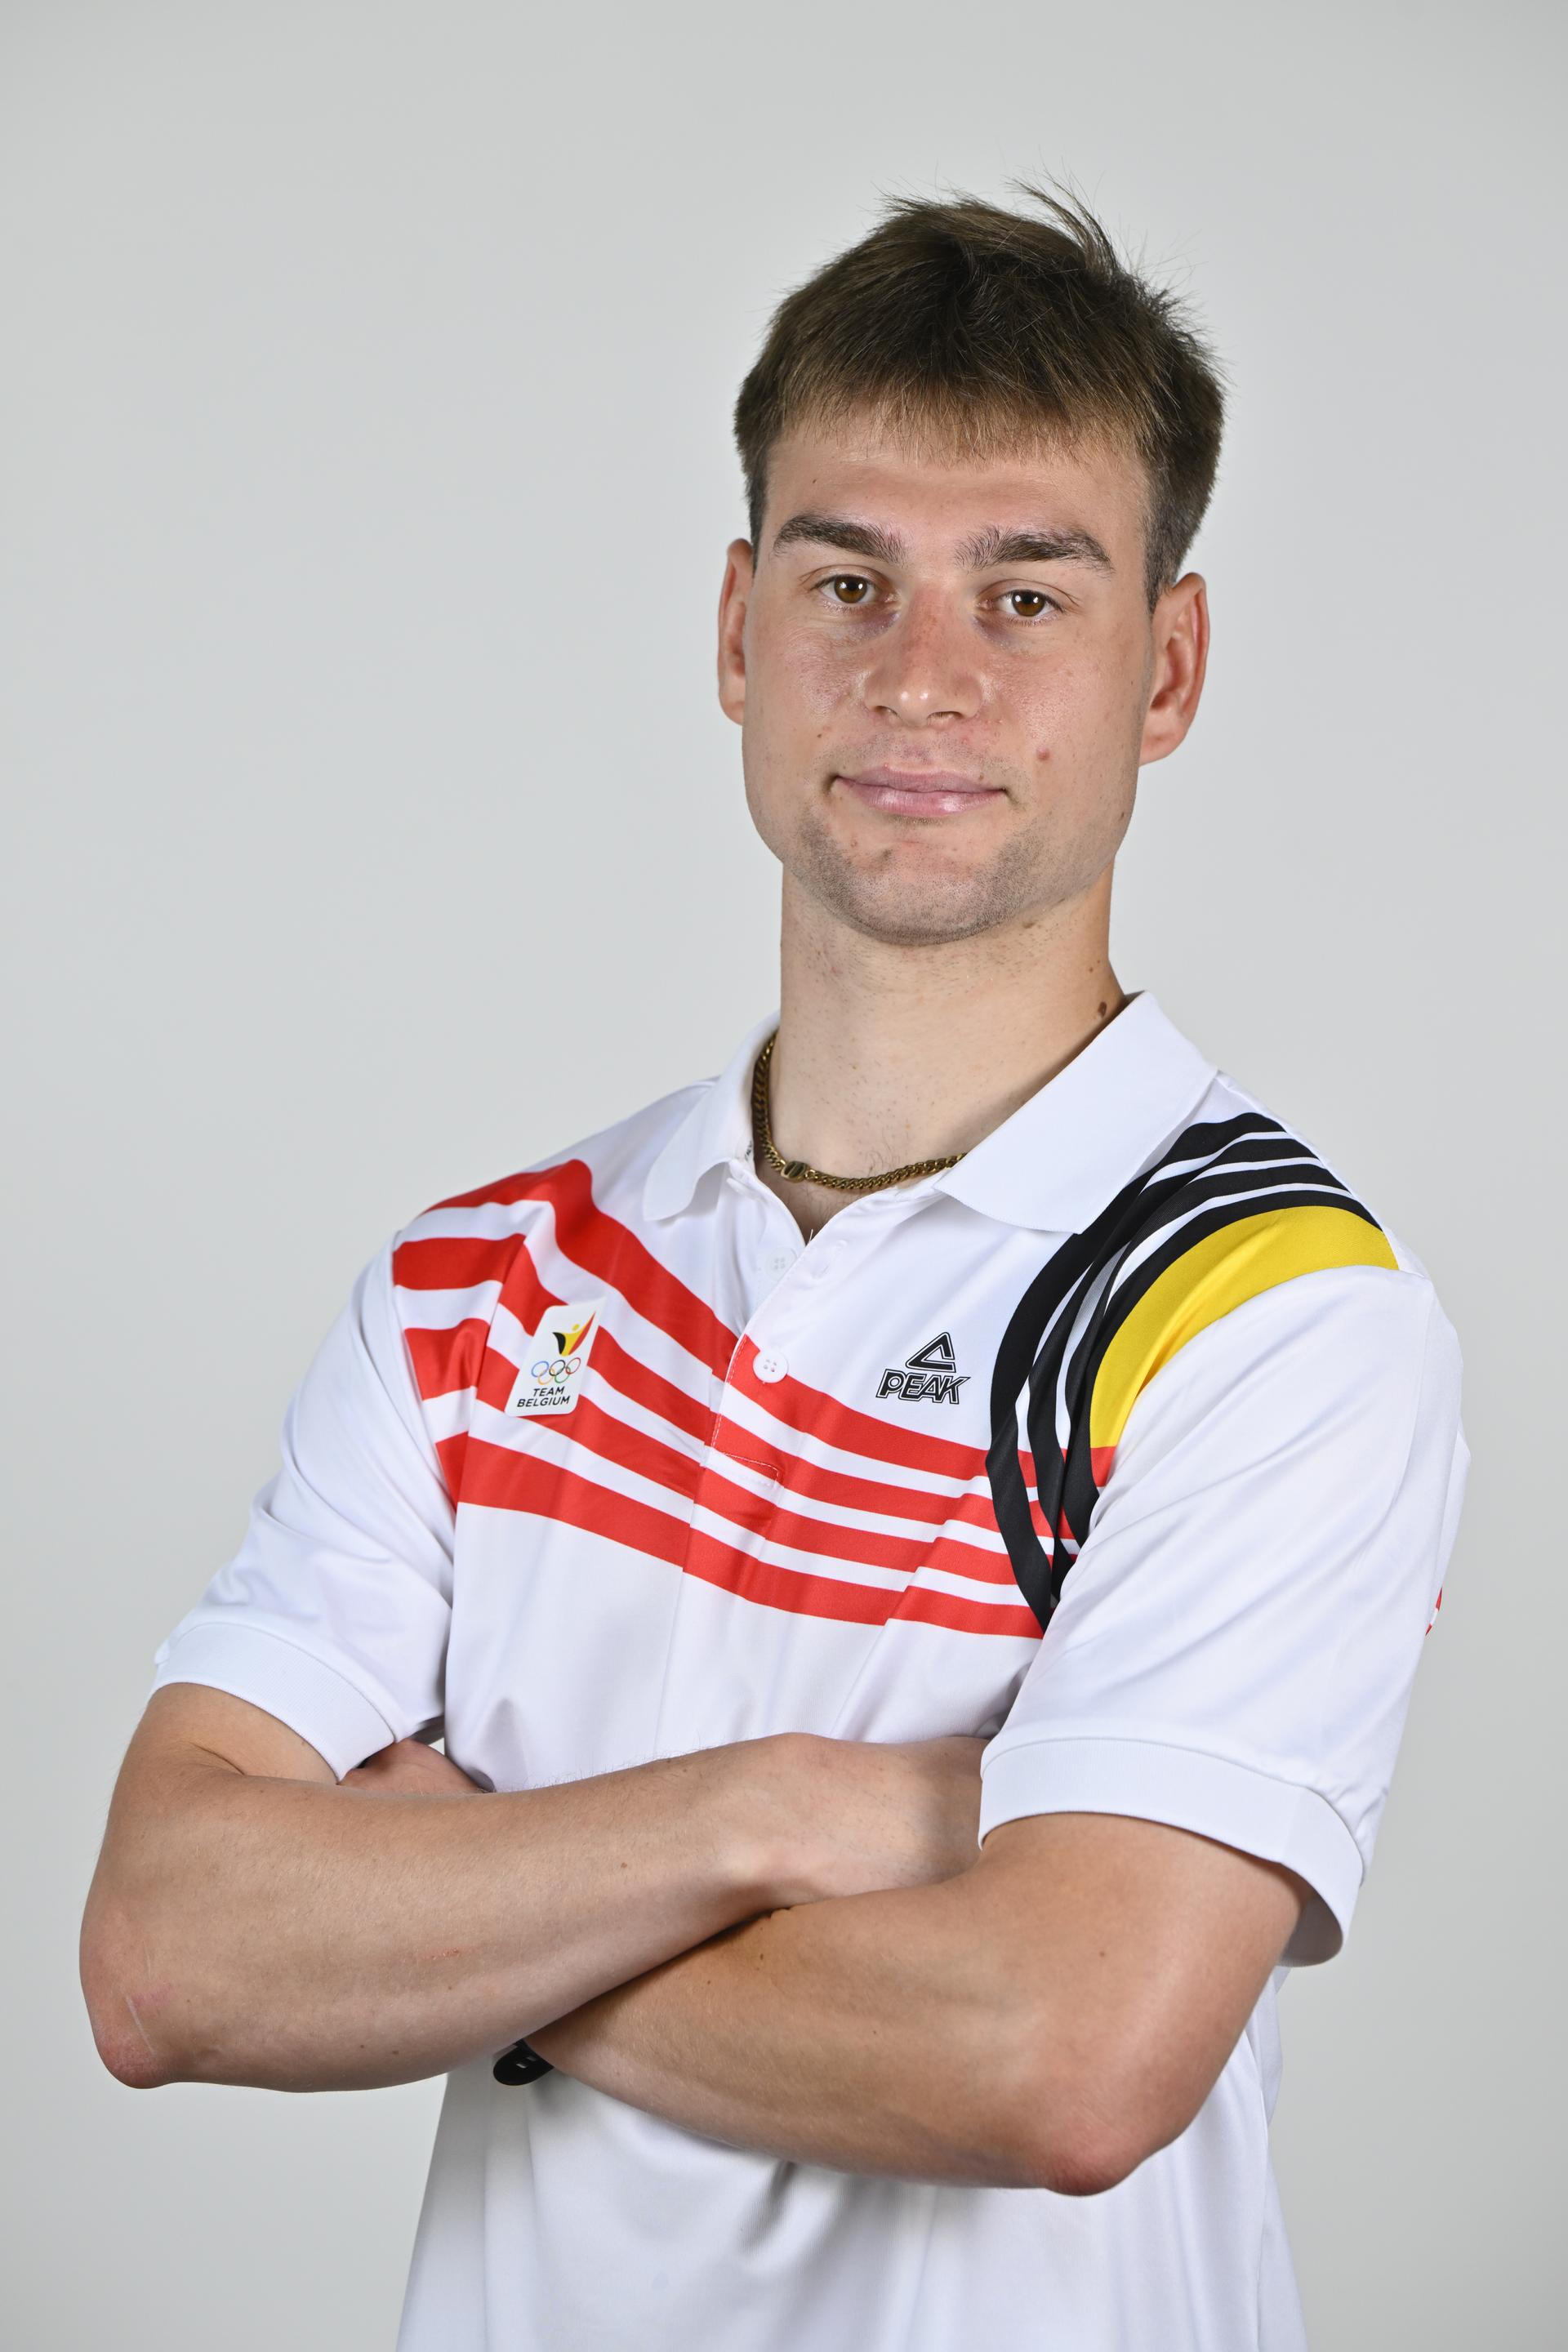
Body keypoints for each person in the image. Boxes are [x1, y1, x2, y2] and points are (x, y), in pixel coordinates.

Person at [80, 185, 1468, 2352]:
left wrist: (458, 1915)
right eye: (848, 580)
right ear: (739, 631)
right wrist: (786, 1814)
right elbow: (167, 1954)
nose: (924, 675)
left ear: (1169, 670)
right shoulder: (479, 1285)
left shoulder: (1275, 1320)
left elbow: (1060, 2057)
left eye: (1028, 594)